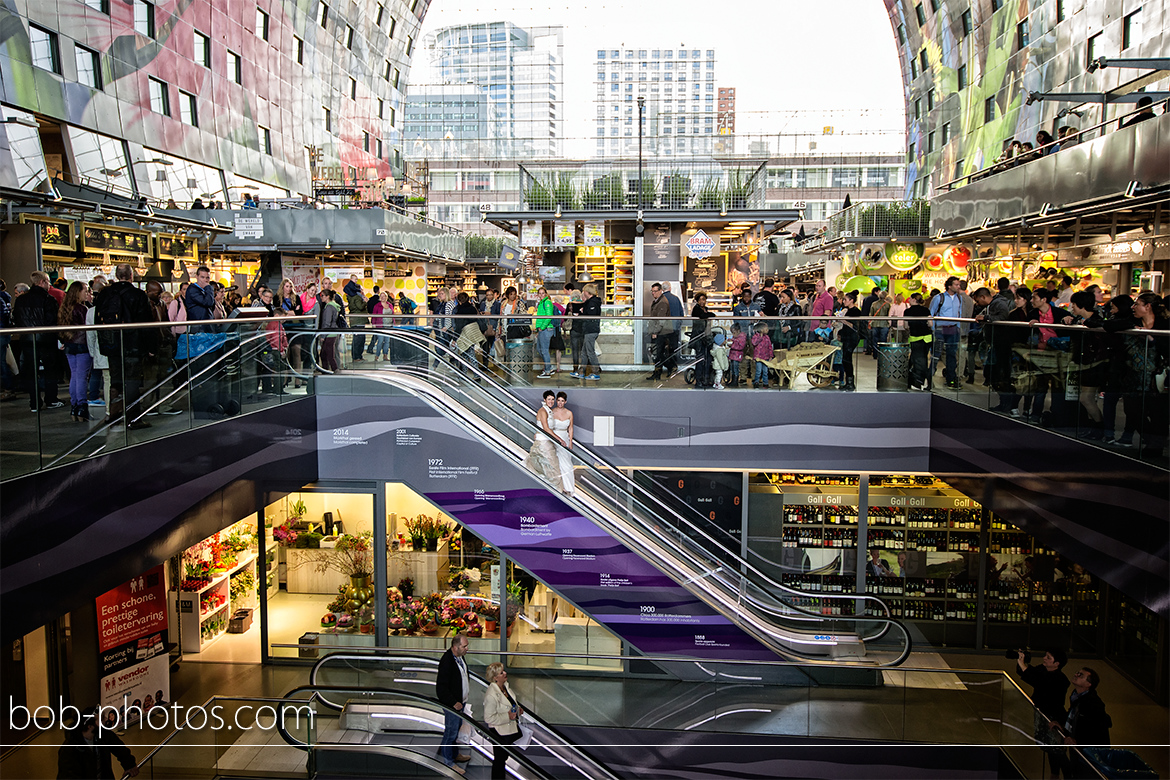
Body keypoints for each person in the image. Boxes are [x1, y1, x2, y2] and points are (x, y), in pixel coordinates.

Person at [94, 264, 158, 429]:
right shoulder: (137, 295)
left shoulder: (105, 294)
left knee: (115, 380)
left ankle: (114, 416)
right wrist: (152, 347)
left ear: (116, 275)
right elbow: (147, 323)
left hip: (112, 344)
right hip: (132, 344)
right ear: (131, 276)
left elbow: (97, 320)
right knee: (132, 382)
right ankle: (133, 418)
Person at [13, 271, 64, 411]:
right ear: (41, 282)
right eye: (48, 282)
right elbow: (53, 321)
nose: (49, 285)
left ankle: (34, 402)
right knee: (50, 371)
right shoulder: (49, 299)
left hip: (27, 339)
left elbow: (17, 319)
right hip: (47, 340)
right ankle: (51, 399)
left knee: (31, 372)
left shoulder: (20, 300)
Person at [1050, 667, 1112, 778]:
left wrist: (1077, 739)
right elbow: (1072, 716)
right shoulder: (1076, 697)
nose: (1076, 675)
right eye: (1077, 673)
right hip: (1079, 748)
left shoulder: (1093, 703)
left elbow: (1095, 728)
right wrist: (1062, 725)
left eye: (1081, 675)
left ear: (1088, 684)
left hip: (1089, 751)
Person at [1017, 648, 1070, 774]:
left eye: (1049, 657)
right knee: (1049, 747)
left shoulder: (1059, 679)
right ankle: (1055, 774)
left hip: (1053, 716)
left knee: (1056, 749)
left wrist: (1023, 664)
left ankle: (1067, 775)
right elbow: (1027, 674)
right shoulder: (1042, 669)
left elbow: (1038, 682)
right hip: (1042, 713)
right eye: (1045, 656)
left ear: (1057, 663)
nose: (1044, 659)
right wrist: (1021, 661)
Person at [57, 707, 139, 779]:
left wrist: (129, 764)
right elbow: (69, 775)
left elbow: (119, 748)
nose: (106, 719)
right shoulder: (69, 749)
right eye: (102, 718)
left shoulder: (102, 734)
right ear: (90, 726)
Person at [435, 633, 472, 774]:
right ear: (456, 647)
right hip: (453, 705)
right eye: (464, 646)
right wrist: (453, 702)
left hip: (460, 702)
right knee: (450, 732)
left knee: (455, 730)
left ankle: (455, 754)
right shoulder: (447, 662)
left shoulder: (459, 658)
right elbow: (441, 688)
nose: (467, 649)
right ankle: (448, 762)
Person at [58, 281, 93, 422]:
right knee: (82, 377)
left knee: (74, 376)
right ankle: (82, 407)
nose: (87, 292)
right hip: (82, 345)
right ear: (77, 292)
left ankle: (74, 406)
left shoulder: (64, 308)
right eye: (85, 290)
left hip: (69, 345)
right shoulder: (82, 309)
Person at [482, 662, 524, 780]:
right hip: (499, 732)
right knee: (500, 760)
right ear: (495, 678)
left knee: (503, 758)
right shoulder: (491, 695)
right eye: (501, 673)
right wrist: (508, 716)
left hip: (507, 730)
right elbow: (488, 718)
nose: (505, 673)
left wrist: (518, 709)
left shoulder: (505, 686)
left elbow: (510, 702)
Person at [929, 275, 964, 390]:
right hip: (940, 328)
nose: (958, 286)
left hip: (953, 328)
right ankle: (929, 379)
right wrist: (933, 329)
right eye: (956, 284)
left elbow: (959, 313)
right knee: (936, 355)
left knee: (952, 355)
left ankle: (951, 379)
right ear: (949, 286)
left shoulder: (959, 298)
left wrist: (958, 327)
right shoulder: (939, 298)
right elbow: (932, 313)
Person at [524, 391, 562, 487]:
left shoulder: (548, 411)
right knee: (551, 466)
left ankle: (553, 488)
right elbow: (546, 428)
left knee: (551, 466)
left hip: (547, 441)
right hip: (543, 442)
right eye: (549, 399)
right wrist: (559, 439)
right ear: (545, 400)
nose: (551, 401)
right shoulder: (543, 411)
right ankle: (554, 489)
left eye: (553, 399)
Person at [905, 292, 933, 391]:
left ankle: (917, 381)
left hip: (915, 338)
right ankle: (916, 380)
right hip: (927, 338)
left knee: (918, 360)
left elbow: (905, 326)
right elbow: (930, 323)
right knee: (922, 358)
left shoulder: (907, 312)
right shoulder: (926, 310)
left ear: (913, 299)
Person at [836, 290, 863, 391]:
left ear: (851, 300)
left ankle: (850, 383)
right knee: (845, 359)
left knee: (847, 359)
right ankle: (848, 382)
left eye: (845, 300)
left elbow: (855, 326)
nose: (843, 301)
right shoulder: (846, 310)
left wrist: (843, 320)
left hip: (852, 337)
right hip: (847, 336)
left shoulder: (856, 312)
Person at [647, 282, 672, 381]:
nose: (653, 293)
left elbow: (661, 320)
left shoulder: (662, 302)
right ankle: (657, 372)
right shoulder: (658, 301)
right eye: (652, 291)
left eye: (655, 291)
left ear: (660, 291)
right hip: (659, 331)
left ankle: (669, 366)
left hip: (661, 332)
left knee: (658, 353)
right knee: (658, 353)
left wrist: (655, 332)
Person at [551, 391, 575, 493]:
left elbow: (570, 428)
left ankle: (568, 487)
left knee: (566, 463)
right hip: (555, 437)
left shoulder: (569, 413)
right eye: (559, 400)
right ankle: (558, 486)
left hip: (564, 438)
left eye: (562, 401)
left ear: (565, 402)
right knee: (556, 462)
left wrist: (570, 442)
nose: (560, 403)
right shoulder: (551, 412)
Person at [690, 292, 714, 388]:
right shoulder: (696, 309)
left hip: (706, 338)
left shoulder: (705, 310)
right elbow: (702, 316)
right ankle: (699, 379)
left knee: (708, 360)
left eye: (703, 299)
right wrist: (711, 314)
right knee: (700, 360)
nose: (702, 301)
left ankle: (706, 378)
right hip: (698, 338)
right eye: (700, 299)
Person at [579, 283, 602, 381]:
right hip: (589, 330)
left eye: (584, 291)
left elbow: (591, 315)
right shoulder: (593, 302)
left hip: (590, 330)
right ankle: (581, 371)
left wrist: (583, 311)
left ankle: (595, 372)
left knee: (590, 352)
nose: (583, 293)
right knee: (584, 352)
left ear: (588, 292)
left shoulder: (592, 303)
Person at [533, 287, 556, 378]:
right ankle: (548, 367)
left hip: (546, 329)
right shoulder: (542, 303)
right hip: (542, 329)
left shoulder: (547, 302)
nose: (541, 295)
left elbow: (549, 316)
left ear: (546, 294)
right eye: (540, 293)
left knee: (544, 350)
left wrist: (542, 328)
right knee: (540, 349)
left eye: (543, 293)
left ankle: (547, 371)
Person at [343, 276, 367, 363]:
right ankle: (357, 356)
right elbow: (360, 307)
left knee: (358, 338)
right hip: (359, 320)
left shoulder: (351, 297)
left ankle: (357, 356)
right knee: (359, 339)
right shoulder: (357, 298)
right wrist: (365, 302)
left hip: (355, 320)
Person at [371, 290, 393, 361]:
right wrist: (373, 324)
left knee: (387, 341)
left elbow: (392, 315)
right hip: (380, 326)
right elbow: (374, 316)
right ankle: (377, 356)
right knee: (380, 341)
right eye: (381, 296)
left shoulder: (390, 305)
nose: (382, 298)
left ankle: (385, 355)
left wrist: (394, 324)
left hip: (389, 326)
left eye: (384, 296)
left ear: (386, 297)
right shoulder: (377, 306)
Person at [750, 322, 771, 389]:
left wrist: (771, 355)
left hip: (766, 357)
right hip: (758, 357)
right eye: (766, 328)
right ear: (761, 329)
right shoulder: (755, 337)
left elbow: (770, 347)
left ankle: (765, 383)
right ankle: (756, 382)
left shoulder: (767, 337)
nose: (767, 330)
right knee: (758, 371)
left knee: (765, 371)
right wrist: (760, 337)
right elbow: (754, 343)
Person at [727, 323, 747, 388]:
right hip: (733, 355)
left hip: (737, 355)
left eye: (734, 332)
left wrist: (732, 345)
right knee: (732, 368)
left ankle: (735, 380)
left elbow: (741, 347)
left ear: (738, 331)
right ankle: (732, 380)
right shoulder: (736, 337)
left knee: (735, 368)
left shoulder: (742, 337)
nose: (733, 334)